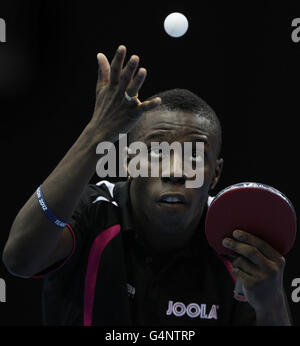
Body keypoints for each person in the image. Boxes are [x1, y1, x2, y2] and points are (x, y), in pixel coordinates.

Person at [3, 45, 291, 326]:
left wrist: (271, 304)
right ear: (129, 163)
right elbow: (20, 259)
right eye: (156, 154)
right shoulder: (94, 210)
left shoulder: (237, 243)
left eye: (193, 157)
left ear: (215, 174)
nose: (175, 172)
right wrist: (98, 133)